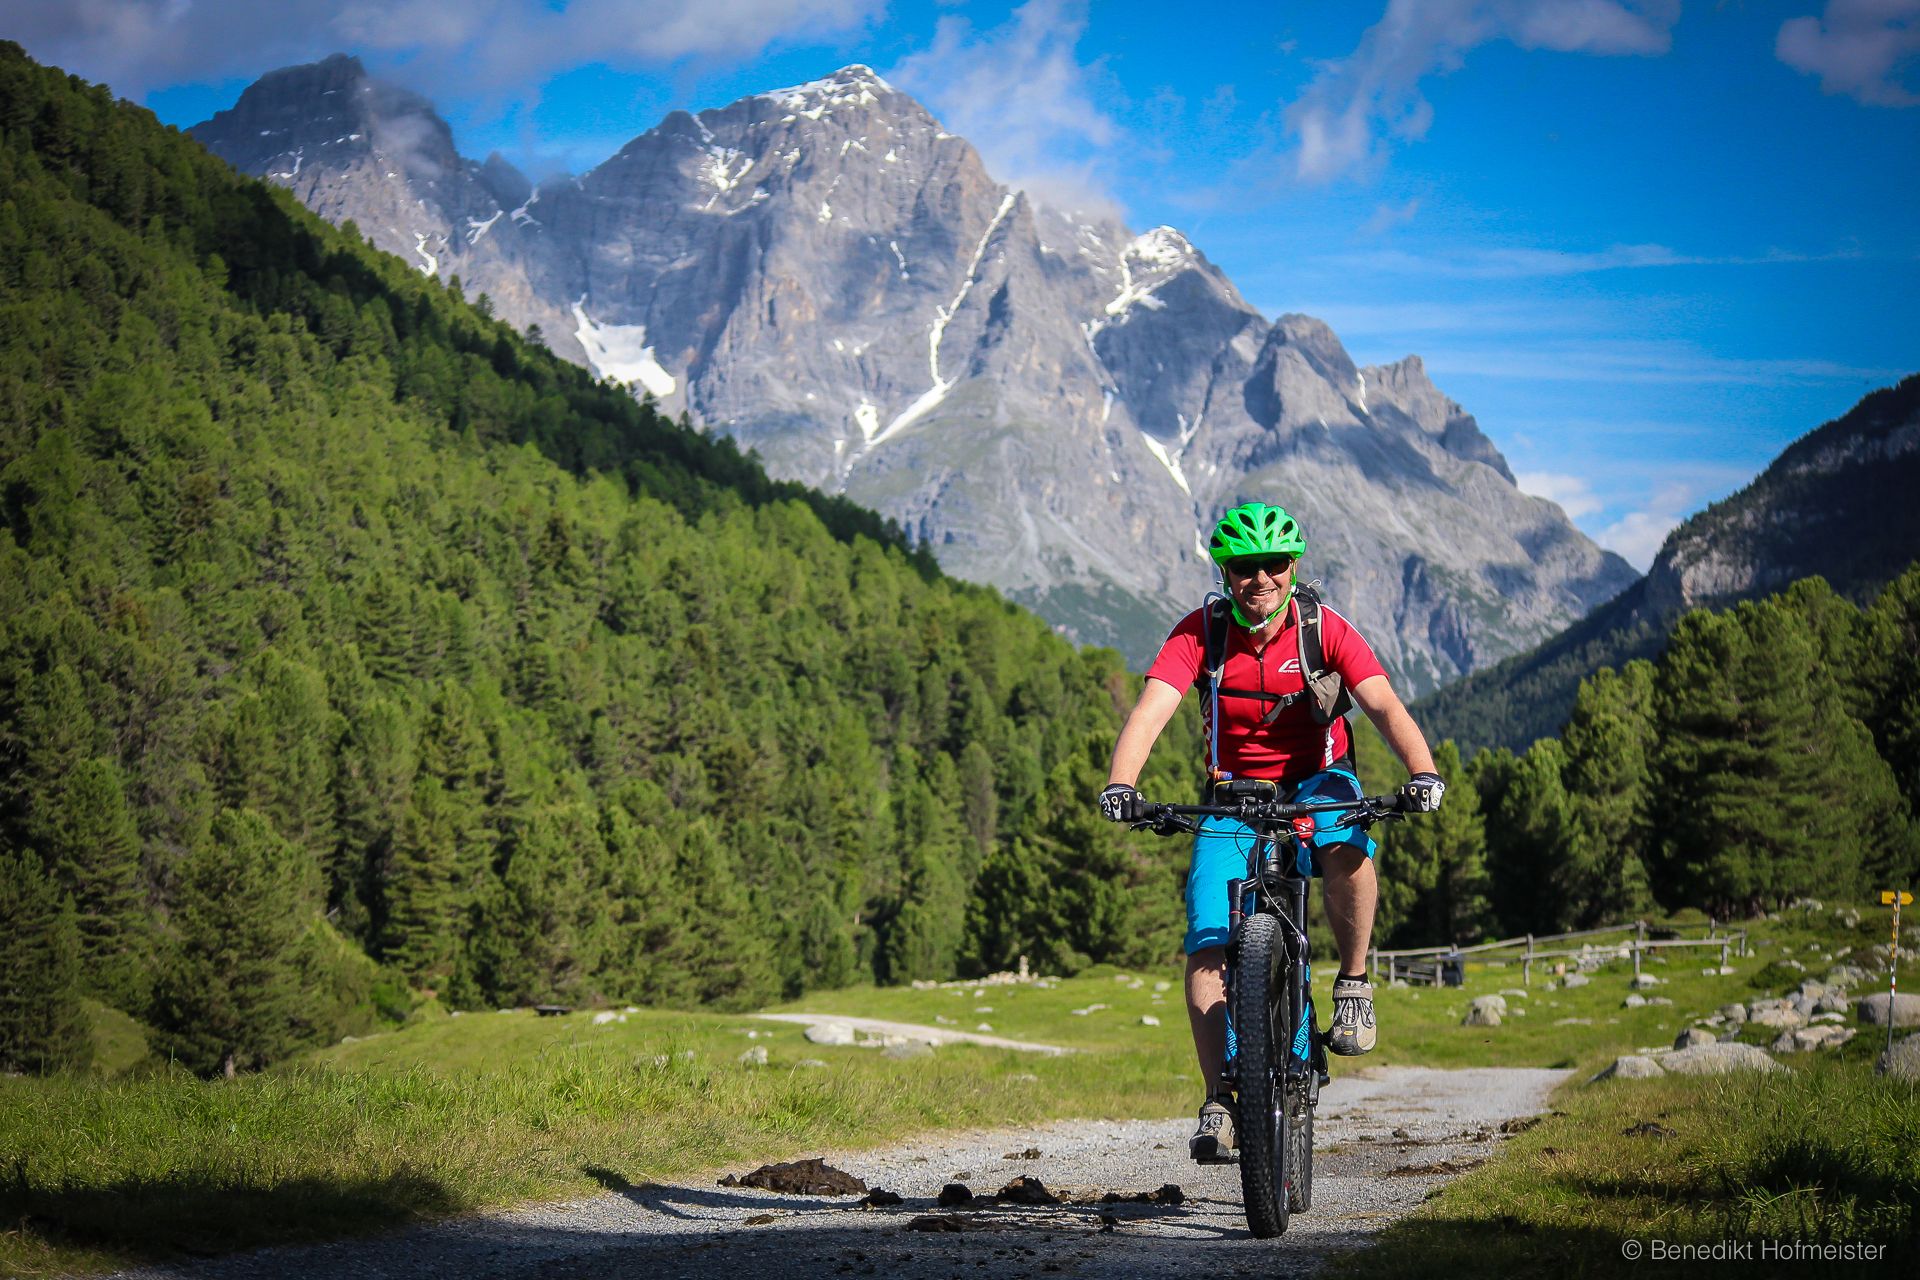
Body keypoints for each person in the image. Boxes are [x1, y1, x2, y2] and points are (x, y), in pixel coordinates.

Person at [1097, 501, 1445, 1162]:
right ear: (1226, 572)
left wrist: (1422, 772)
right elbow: (1151, 710)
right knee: (1206, 941)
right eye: (1244, 567)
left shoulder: (1323, 629)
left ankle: (1353, 983)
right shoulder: (1201, 633)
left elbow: (1383, 705)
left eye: (1273, 565)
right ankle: (1219, 1101)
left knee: (1346, 839)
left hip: (1320, 778)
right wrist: (1122, 785)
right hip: (1234, 794)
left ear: (1292, 567)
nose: (1260, 578)